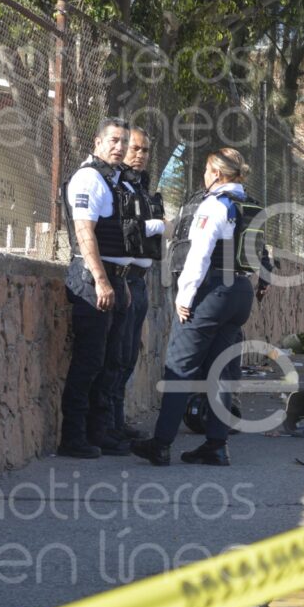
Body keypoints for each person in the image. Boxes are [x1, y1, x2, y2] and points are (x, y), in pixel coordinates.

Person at [131, 148, 259, 466]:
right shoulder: (248, 203)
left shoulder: (215, 204)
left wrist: (184, 296)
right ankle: (216, 444)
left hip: (212, 290)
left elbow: (199, 254)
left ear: (216, 173)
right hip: (240, 291)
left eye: (205, 170)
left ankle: (160, 445)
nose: (203, 176)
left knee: (179, 369)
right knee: (220, 371)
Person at [59, 117, 151, 459]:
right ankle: (73, 438)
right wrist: (100, 279)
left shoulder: (112, 180)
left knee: (109, 359)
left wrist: (119, 281)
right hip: (90, 280)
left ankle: (98, 433)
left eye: (123, 142)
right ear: (97, 142)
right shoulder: (89, 178)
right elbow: (85, 234)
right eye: (113, 140)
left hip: (114, 278)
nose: (119, 147)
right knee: (89, 360)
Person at [112, 127, 165, 441]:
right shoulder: (116, 184)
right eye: (135, 148)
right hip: (124, 278)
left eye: (145, 150)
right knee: (117, 355)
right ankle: (108, 424)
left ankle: (117, 421)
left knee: (130, 354)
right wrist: (156, 225)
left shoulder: (141, 186)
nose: (140, 155)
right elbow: (122, 227)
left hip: (140, 281)